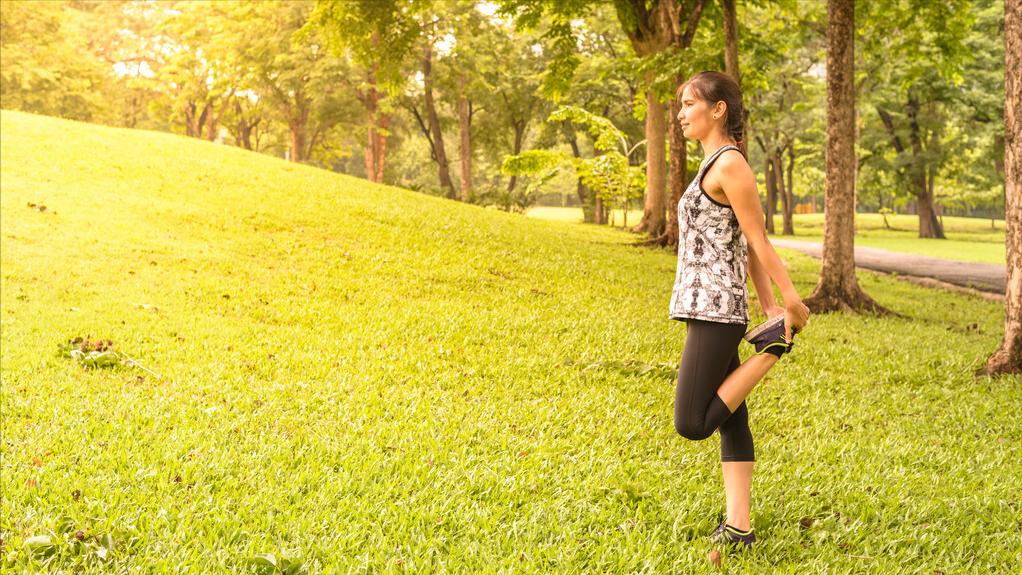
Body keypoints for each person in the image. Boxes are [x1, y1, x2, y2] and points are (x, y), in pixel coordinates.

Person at [668, 70, 811, 550]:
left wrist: (788, 300)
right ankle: (739, 526)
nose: (682, 113)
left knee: (691, 422)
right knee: (733, 419)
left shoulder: (730, 165)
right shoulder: (715, 163)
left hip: (716, 308)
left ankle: (773, 349)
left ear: (718, 109)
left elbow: (758, 239)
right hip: (707, 303)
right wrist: (768, 301)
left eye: (689, 103)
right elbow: (741, 244)